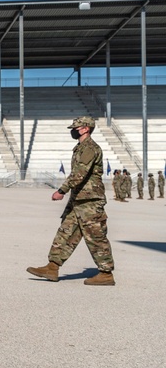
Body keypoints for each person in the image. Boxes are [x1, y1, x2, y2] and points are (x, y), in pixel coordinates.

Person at [27, 116, 115, 286]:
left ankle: (106, 273)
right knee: (65, 233)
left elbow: (79, 173)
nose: (73, 131)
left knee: (95, 237)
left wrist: (61, 190)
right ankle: (52, 267)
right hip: (79, 200)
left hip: (90, 202)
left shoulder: (90, 148)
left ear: (86, 128)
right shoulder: (80, 147)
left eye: (76, 127)